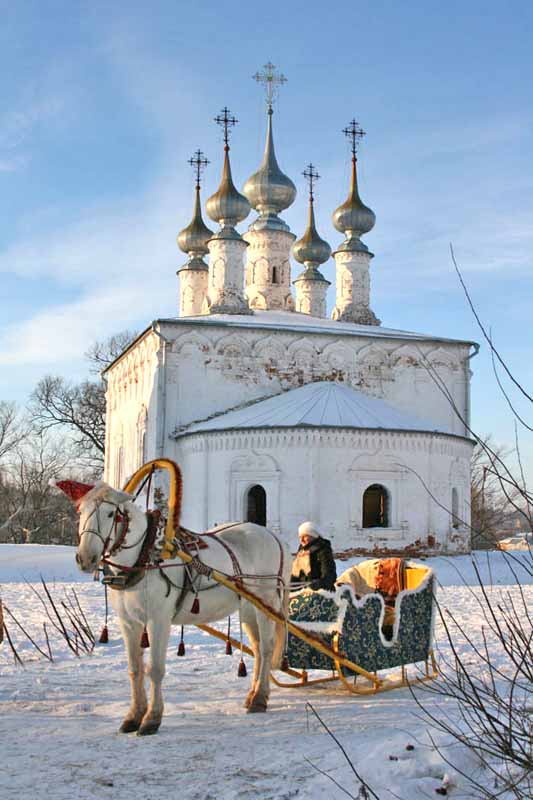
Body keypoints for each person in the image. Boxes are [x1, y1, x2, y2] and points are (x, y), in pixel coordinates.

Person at [290, 521, 337, 591]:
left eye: (305, 536)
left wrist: (319, 583)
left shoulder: (323, 550)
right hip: (302, 592)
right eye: (300, 537)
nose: (301, 540)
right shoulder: (302, 552)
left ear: (313, 535)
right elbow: (296, 574)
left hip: (321, 593)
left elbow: (330, 575)